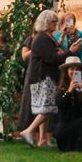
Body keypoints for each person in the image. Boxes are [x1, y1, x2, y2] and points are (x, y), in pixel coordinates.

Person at [17, 9, 66, 148]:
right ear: (46, 22)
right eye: (53, 22)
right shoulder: (41, 38)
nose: (55, 24)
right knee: (49, 107)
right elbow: (51, 58)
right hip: (43, 76)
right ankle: (29, 130)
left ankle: (42, 139)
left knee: (44, 107)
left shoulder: (49, 37)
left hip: (44, 76)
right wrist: (70, 52)